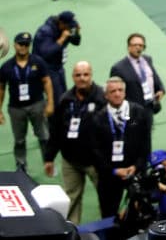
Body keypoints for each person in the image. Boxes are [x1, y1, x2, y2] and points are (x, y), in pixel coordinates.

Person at [44, 60, 105, 224]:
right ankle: (71, 230)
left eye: (85, 74)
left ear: (91, 75)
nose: (82, 78)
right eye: (78, 75)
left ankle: (109, 231)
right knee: (71, 199)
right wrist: (49, 157)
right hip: (70, 161)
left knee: (106, 197)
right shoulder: (65, 99)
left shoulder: (102, 98)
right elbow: (56, 130)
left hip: (96, 163)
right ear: (73, 77)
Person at [91, 76, 152, 218]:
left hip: (135, 171)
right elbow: (95, 152)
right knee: (109, 215)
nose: (117, 94)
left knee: (141, 211)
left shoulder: (138, 113)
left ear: (125, 93)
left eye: (120, 90)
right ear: (106, 95)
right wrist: (114, 171)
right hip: (110, 176)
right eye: (113, 91)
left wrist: (136, 166)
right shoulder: (97, 119)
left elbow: (145, 144)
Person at [0, 31, 54, 173]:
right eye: (21, 44)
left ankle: (48, 161)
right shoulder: (6, 67)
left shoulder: (38, 62)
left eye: (26, 44)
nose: (23, 47)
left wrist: (50, 103)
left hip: (37, 105)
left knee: (44, 136)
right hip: (16, 109)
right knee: (19, 140)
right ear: (14, 45)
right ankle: (21, 165)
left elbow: (47, 82)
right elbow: (1, 89)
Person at [110, 33, 166, 115]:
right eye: (135, 45)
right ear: (129, 47)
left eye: (141, 45)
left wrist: (161, 90)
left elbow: (155, 78)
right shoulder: (118, 68)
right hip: (131, 113)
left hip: (149, 108)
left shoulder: (147, 60)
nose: (138, 47)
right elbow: (114, 94)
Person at [33, 10, 80, 99]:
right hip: (46, 68)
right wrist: (61, 39)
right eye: (69, 26)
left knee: (64, 96)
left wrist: (77, 32)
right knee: (58, 98)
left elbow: (76, 42)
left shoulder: (66, 27)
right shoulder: (45, 31)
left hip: (57, 66)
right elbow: (46, 53)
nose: (70, 28)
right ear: (61, 23)